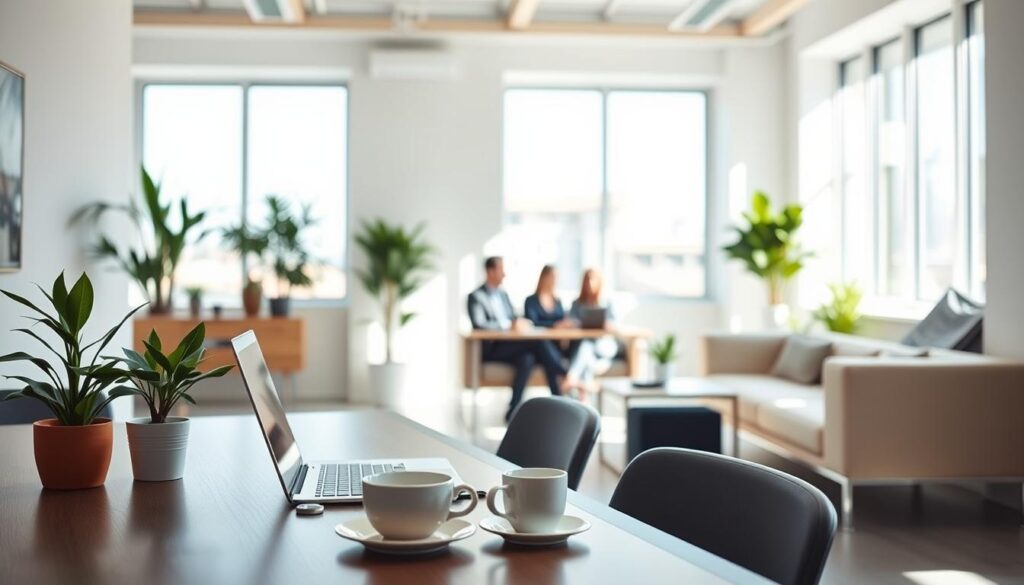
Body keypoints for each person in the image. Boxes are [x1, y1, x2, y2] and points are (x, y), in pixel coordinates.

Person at [467, 256, 566, 421]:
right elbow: (479, 324)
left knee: (527, 358)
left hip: (511, 346)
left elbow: (513, 317)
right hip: (492, 348)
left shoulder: (503, 295)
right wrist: (507, 326)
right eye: (501, 269)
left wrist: (519, 322)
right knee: (538, 342)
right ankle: (565, 373)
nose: (504, 274)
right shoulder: (476, 296)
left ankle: (513, 411)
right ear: (490, 271)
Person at [565, 268, 620, 402]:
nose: (589, 283)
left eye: (592, 279)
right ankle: (585, 397)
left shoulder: (607, 302)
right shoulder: (577, 304)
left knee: (586, 346)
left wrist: (607, 325)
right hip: (587, 348)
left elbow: (615, 325)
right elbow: (570, 322)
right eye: (587, 279)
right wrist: (575, 324)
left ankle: (571, 376)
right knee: (587, 357)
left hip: (604, 345)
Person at [523, 265, 571, 329]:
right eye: (552, 277)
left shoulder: (557, 301)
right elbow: (532, 323)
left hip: (557, 337)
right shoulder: (531, 301)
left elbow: (562, 320)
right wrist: (553, 325)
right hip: (538, 337)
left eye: (557, 277)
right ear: (543, 278)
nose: (555, 280)